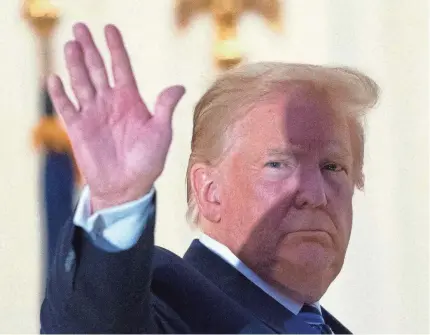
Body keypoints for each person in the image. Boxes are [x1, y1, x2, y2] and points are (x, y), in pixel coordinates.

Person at [40, 22, 379, 334]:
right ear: (209, 192)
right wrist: (117, 200)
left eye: (333, 167)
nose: (315, 193)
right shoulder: (165, 306)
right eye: (280, 164)